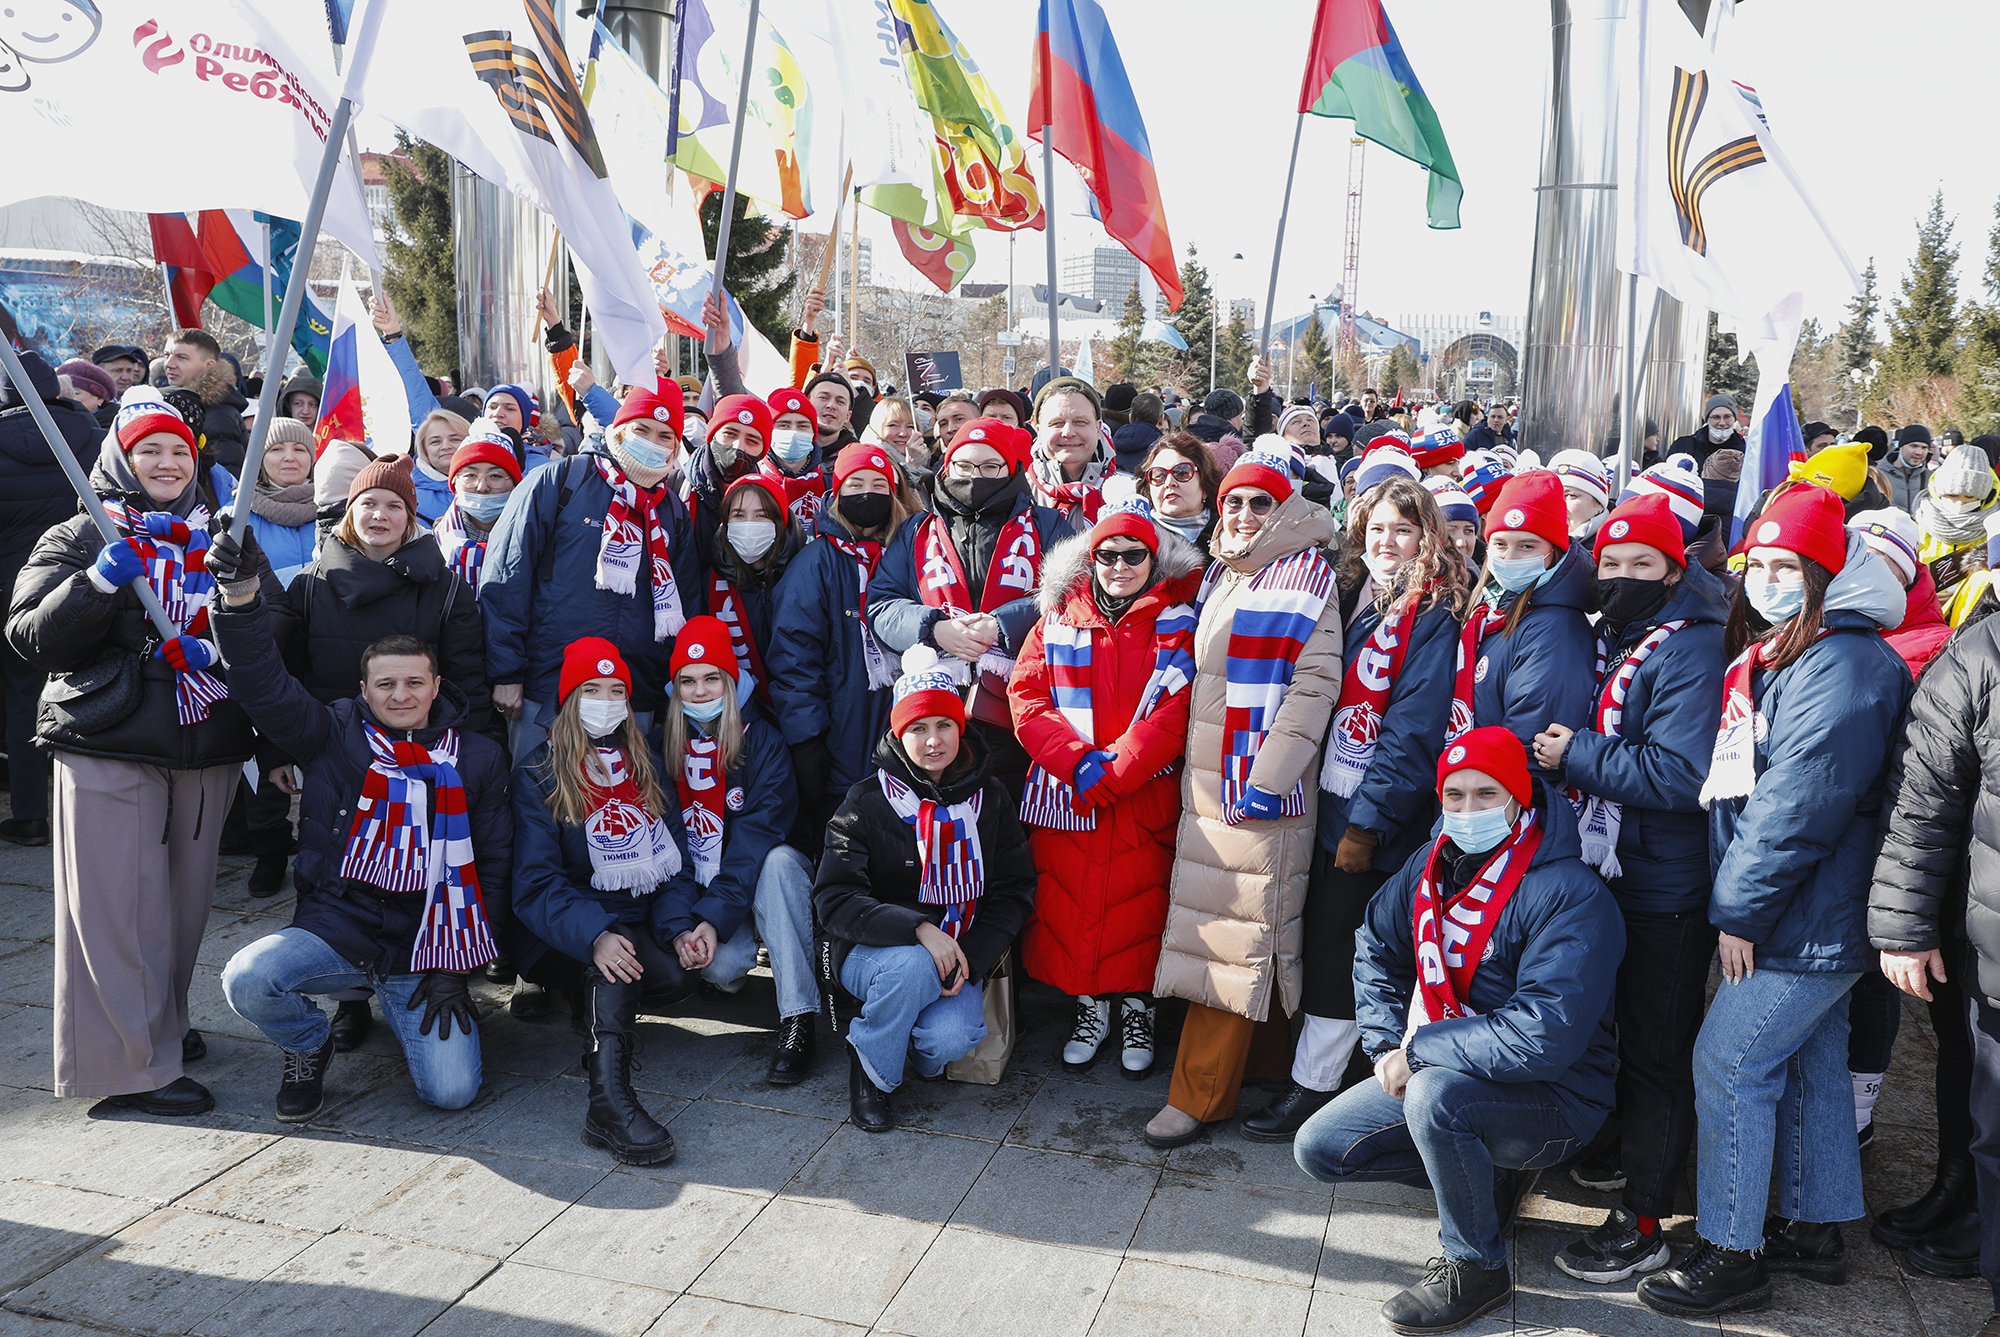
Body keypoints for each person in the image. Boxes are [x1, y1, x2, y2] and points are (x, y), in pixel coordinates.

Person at [1637, 486, 1913, 1319]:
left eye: (1786, 567)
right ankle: (1814, 1226)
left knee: (1731, 1060)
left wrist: (1739, 913)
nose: (1765, 579)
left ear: (1827, 575)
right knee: (1811, 1065)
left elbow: (1795, 808)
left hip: (1805, 917)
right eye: (1756, 564)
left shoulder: (1846, 664)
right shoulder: (1799, 649)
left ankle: (1731, 1250)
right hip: (1806, 911)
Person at [1293, 728, 1624, 1335]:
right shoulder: (1430, 863)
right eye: (1454, 795)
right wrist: (1386, 1041)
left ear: (1520, 800)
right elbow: (1375, 944)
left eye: (1486, 795)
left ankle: (1476, 1267)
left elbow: (1541, 1038)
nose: (1467, 812)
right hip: (1449, 1068)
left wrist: (1417, 1052)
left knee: (1433, 1098)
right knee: (1320, 1149)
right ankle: (1482, 1179)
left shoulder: (1570, 893)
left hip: (1558, 1100)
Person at [5, 393, 278, 1114]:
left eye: (179, 451)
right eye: (149, 449)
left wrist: (228, 619)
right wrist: (97, 584)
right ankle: (128, 1071)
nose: (165, 462)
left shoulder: (222, 534)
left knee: (184, 911)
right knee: (117, 910)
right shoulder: (81, 534)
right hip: (110, 740)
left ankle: (161, 1026)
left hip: (206, 743)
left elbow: (276, 629)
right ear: (121, 456)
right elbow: (30, 635)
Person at [213, 569, 511, 1120]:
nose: (401, 696)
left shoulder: (477, 757)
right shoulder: (330, 732)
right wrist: (238, 605)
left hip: (426, 943)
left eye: (415, 683)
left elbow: (492, 868)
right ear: (364, 689)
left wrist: (455, 968)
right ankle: (307, 1044)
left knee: (451, 1093)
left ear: (436, 686)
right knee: (248, 979)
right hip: (339, 924)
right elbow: (261, 682)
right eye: (385, 685)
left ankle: (410, 1004)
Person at [1523, 494, 1731, 1285]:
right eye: (1608, 564)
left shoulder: (1692, 646)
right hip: (1614, 870)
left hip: (1665, 884)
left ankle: (1645, 1217)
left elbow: (1681, 774)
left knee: (1656, 1051)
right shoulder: (1622, 631)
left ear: (1674, 568)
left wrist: (1575, 755)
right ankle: (1624, 1156)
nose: (1620, 577)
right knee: (1620, 1038)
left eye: (1641, 564)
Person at [1245, 476, 1468, 1144]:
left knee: (1349, 947)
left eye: (1402, 530)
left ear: (1427, 535)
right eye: (1375, 530)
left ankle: (1313, 1088)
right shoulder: (1354, 593)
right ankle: (1335, 1079)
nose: (1388, 543)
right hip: (1331, 803)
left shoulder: (1433, 611)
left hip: (1378, 821)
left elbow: (1412, 730)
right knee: (1330, 942)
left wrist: (1367, 824)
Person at [1147, 451, 1343, 1149]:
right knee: (1249, 933)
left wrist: (1264, 779)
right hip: (1212, 787)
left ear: (1286, 509)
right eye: (1233, 502)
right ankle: (1261, 1066)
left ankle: (1197, 1095)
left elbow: (1313, 688)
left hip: (1257, 790)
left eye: (1261, 503)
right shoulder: (1231, 572)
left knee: (1232, 936)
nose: (1244, 514)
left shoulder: (1303, 577)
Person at [1009, 495, 1201, 1080]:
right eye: (1108, 556)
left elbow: (1178, 710)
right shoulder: (1056, 621)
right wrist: (1076, 764)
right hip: (1069, 794)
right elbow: (1027, 696)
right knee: (1073, 906)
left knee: (1141, 910)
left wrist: (1117, 771)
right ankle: (1090, 1009)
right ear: (1090, 561)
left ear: (1152, 559)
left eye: (1133, 555)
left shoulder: (1179, 626)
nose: (1120, 567)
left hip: (1141, 794)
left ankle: (1136, 1010)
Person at [814, 663, 1037, 1131]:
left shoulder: (989, 797)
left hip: (959, 949)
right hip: (870, 952)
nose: (933, 740)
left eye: (944, 726)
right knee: (912, 965)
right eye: (918, 727)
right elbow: (834, 899)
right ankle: (872, 1071)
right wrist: (918, 929)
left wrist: (970, 959)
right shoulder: (866, 801)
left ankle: (901, 1033)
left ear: (961, 729)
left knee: (951, 1038)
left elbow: (1014, 891)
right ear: (899, 733)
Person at [508, 638, 696, 1164]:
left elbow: (676, 863)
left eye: (617, 690)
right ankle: (608, 1102)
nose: (606, 700)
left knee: (676, 976)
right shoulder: (538, 773)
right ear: (569, 699)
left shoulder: (647, 765)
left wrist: (679, 926)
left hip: (632, 920)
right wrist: (594, 934)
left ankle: (592, 1009)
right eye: (592, 689)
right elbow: (536, 885)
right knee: (612, 968)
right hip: (552, 928)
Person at [1869, 603, 2000, 1318]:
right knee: (1973, 1068)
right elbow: (1925, 801)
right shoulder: (1981, 651)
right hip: (1982, 927)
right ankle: (1964, 1192)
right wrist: (1905, 922)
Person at [482, 380, 702, 760]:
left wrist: (665, 692)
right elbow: (507, 576)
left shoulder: (674, 513)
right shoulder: (563, 480)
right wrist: (506, 673)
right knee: (541, 802)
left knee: (622, 809)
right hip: (548, 685)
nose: (653, 442)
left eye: (665, 435)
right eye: (642, 430)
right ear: (618, 430)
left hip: (633, 694)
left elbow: (685, 607)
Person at [865, 417, 1074, 801]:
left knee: (1009, 817)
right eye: (963, 465)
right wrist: (933, 627)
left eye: (990, 467)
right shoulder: (916, 529)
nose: (975, 476)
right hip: (935, 707)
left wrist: (1001, 624)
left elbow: (1073, 593)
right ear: (947, 466)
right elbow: (882, 603)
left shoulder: (1047, 525)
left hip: (1024, 702)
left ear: (1011, 469)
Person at [655, 617, 819, 1083]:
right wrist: (682, 927)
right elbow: (666, 847)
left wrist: (713, 917)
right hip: (709, 893)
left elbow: (755, 841)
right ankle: (732, 966)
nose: (701, 691)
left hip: (756, 879)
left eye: (712, 679)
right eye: (688, 681)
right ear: (675, 688)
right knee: (722, 966)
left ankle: (798, 1018)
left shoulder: (762, 740)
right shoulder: (662, 748)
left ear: (732, 682)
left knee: (779, 860)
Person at [768, 444, 919, 857]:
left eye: (878, 485)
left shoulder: (912, 554)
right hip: (840, 738)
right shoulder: (817, 561)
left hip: (908, 730)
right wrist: (808, 739)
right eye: (855, 484)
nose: (867, 494)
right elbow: (794, 657)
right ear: (836, 494)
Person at [0, 350, 103, 846]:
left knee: (23, 696)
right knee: (95, 685)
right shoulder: (94, 438)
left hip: (15, 588)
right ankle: (92, 809)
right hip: (90, 583)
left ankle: (31, 815)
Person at [224, 415, 321, 896]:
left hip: (322, 651)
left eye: (300, 450)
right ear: (258, 460)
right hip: (267, 649)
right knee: (264, 759)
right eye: (277, 450)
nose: (289, 459)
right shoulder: (238, 513)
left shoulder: (334, 508)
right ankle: (269, 850)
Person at [1454, 472, 1596, 776]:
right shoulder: (1488, 610)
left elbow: (1528, 745)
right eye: (1500, 544)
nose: (1510, 557)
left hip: (1499, 793)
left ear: (1554, 551)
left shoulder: (1556, 628)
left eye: (1528, 546)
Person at [1851, 509, 1951, 679]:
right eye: (1852, 559)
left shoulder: (1941, 645)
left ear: (1904, 579)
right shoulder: (1814, 624)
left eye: (1877, 564)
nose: (1860, 572)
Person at [432, 420, 524, 604]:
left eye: (495, 476)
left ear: (514, 484)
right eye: (470, 476)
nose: (482, 487)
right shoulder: (432, 543)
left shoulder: (533, 539)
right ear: (454, 484)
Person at [1915, 446, 2000, 624]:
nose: (1960, 503)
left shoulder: (1995, 524)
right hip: (1922, 612)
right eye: (1953, 495)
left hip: (1975, 618)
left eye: (1969, 497)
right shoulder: (1921, 518)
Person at [160, 329, 250, 473]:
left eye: (182, 357)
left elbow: (227, 479)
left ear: (209, 365)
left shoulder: (219, 414)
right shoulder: (172, 403)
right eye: (166, 355)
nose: (169, 364)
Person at [1027, 377, 1112, 525]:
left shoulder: (1127, 492)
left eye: (1080, 422)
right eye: (1057, 423)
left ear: (1098, 429)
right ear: (1039, 432)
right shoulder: (1018, 493)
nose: (1068, 432)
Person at [759, 387, 828, 532]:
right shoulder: (754, 478)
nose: (793, 433)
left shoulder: (829, 484)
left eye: (802, 426)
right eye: (784, 425)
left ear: (813, 433)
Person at [410, 409, 472, 524]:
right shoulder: (408, 493)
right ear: (424, 449)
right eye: (435, 442)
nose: (446, 446)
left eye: (455, 439)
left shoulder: (491, 484)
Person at [1669, 393, 1743, 469]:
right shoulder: (1684, 446)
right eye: (1716, 417)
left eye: (1727, 417)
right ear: (1707, 419)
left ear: (1734, 419)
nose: (1722, 423)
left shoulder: (1746, 449)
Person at [1550, 449, 1611, 534]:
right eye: (1552, 496)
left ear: (1599, 505)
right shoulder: (1533, 540)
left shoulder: (1618, 545)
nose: (1559, 505)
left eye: (1571, 496)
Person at [1883, 429, 1937, 515]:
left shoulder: (1932, 479)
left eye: (1924, 448)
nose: (1919, 452)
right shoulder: (1879, 476)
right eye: (1914, 446)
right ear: (1901, 446)